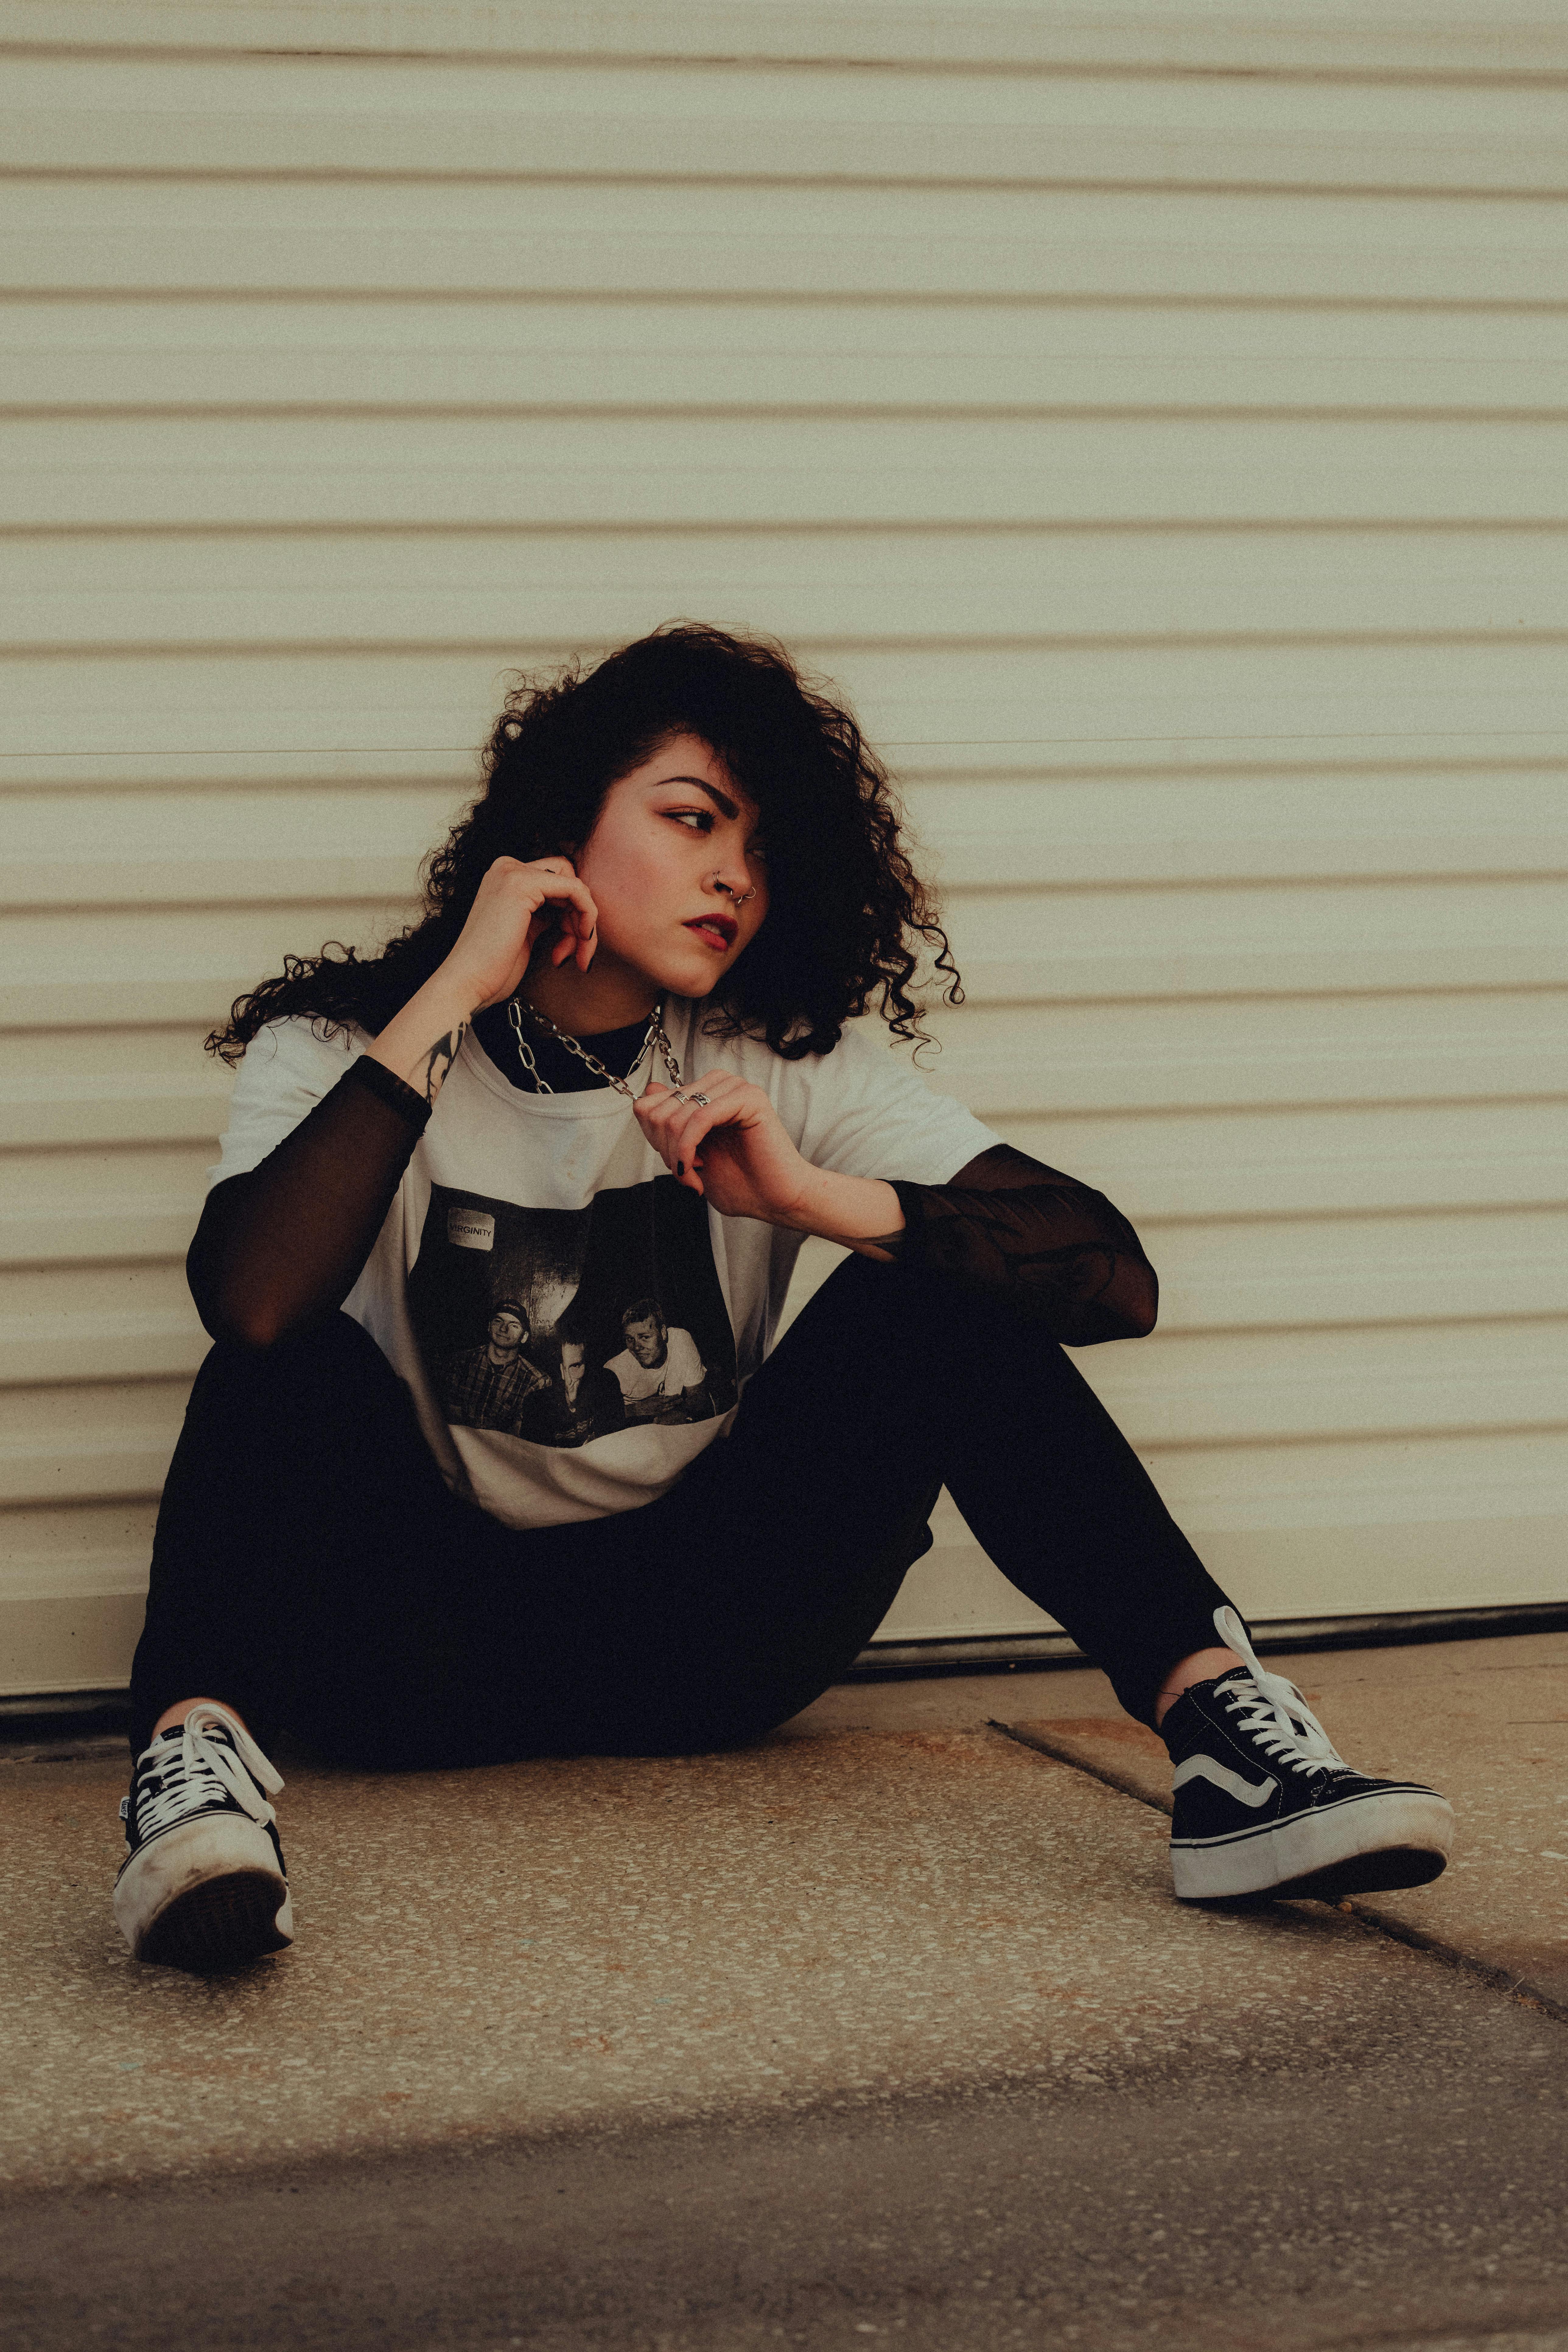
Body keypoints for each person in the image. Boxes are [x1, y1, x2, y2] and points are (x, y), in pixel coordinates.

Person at [113, 623, 1454, 1975]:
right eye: (692, 820)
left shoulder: (782, 1059)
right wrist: (458, 987)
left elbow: (1112, 1277)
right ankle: (196, 1782)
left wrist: (813, 1199)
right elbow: (256, 1303)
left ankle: (1226, 1745)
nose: (730, 877)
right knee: (286, 1354)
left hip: (713, 1636)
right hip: (410, 1648)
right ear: (556, 828)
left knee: (935, 1287)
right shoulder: (350, 1046)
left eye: (760, 851)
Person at [438, 1300, 548, 1434]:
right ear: (489, 1327)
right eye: (498, 1321)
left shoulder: (535, 1381)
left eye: (514, 1326)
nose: (503, 1329)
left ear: (524, 1337)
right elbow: (450, 1419)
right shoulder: (462, 1362)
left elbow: (519, 1437)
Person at [605, 1300, 710, 1424]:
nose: (637, 1347)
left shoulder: (680, 1340)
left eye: (645, 1337)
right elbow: (602, 1417)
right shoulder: (615, 1370)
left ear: (663, 1333)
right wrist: (638, 1409)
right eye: (630, 1339)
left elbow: (698, 1396)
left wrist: (681, 1414)